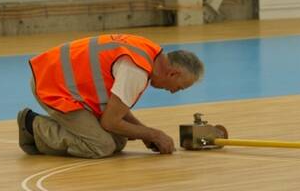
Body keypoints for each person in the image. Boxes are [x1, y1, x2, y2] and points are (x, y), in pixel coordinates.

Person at [17, 33, 204, 159]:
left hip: (64, 82)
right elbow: (110, 122)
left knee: (118, 140)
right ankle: (32, 125)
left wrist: (145, 133)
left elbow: (116, 108)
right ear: (173, 73)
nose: (174, 92)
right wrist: (153, 134)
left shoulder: (150, 54)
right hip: (53, 85)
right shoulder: (137, 71)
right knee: (101, 146)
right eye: (179, 87)